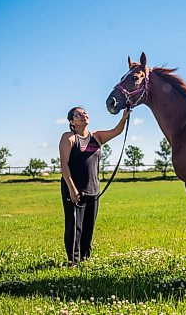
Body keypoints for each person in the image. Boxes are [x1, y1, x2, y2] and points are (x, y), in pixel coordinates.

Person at [59, 106, 130, 266]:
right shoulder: (69, 138)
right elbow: (64, 165)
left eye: (85, 113)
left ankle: (85, 259)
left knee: (88, 227)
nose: (83, 116)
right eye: (78, 115)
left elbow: (116, 131)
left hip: (93, 190)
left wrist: (124, 118)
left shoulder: (96, 137)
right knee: (74, 226)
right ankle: (73, 262)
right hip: (75, 190)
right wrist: (72, 189)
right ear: (72, 121)